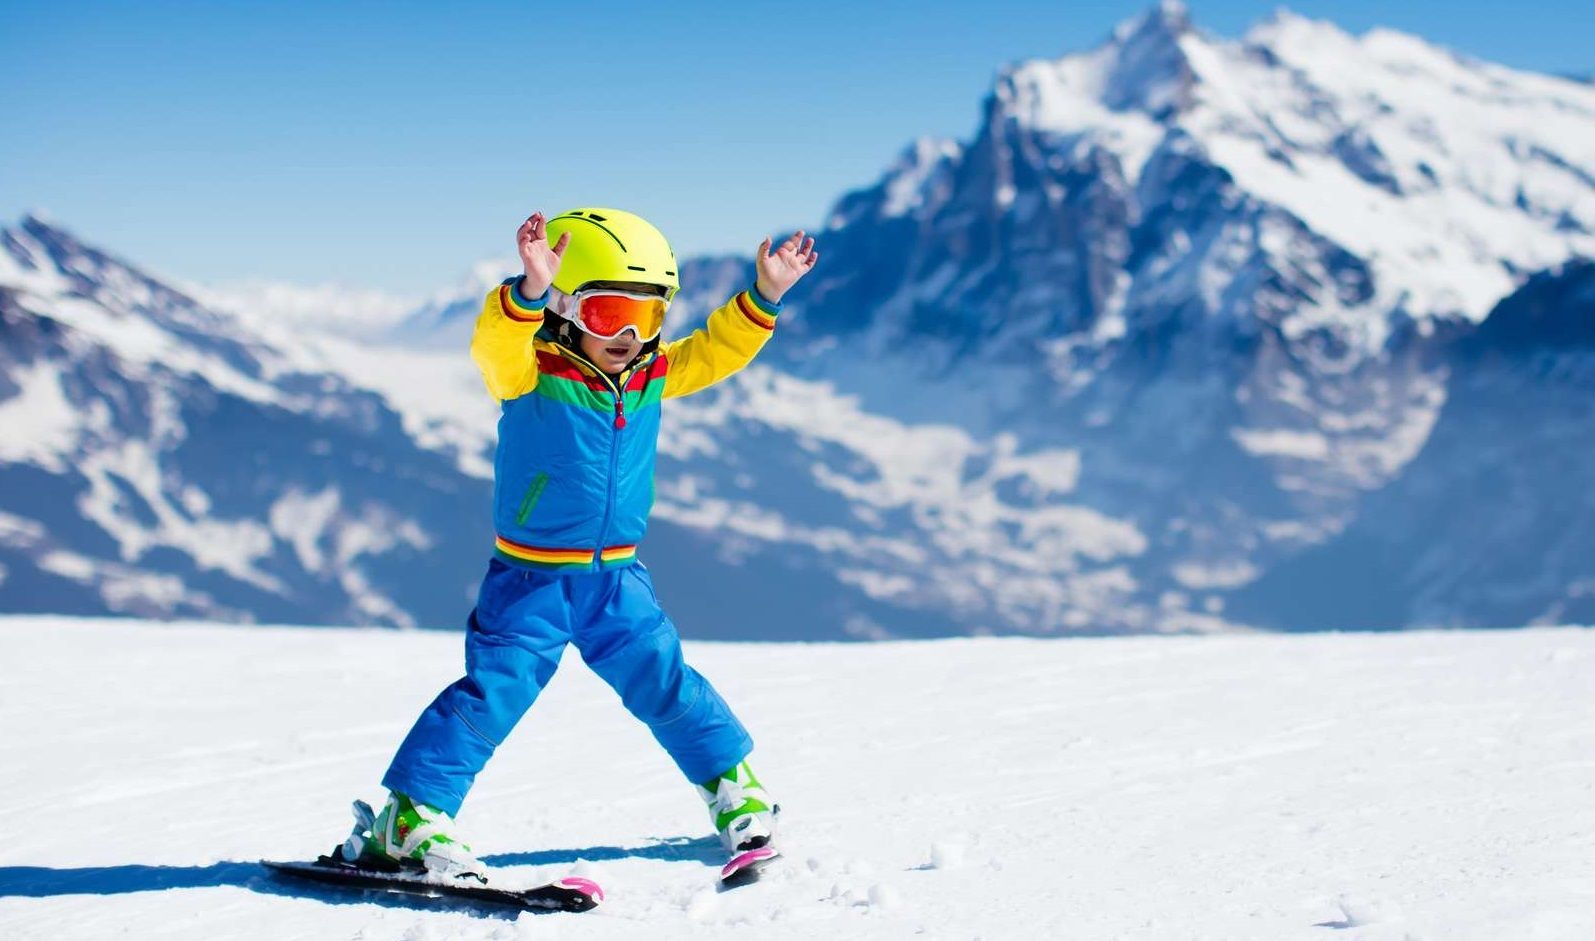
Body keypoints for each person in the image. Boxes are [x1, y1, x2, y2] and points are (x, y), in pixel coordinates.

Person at [344, 207, 819, 879]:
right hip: (531, 582)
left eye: (648, 317)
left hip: (616, 580)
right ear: (567, 310)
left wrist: (764, 296)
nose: (629, 335)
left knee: (666, 680)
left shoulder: (650, 375)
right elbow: (493, 345)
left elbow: (714, 351)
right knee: (492, 694)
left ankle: (732, 788)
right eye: (607, 314)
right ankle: (409, 817)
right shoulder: (531, 372)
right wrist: (527, 292)